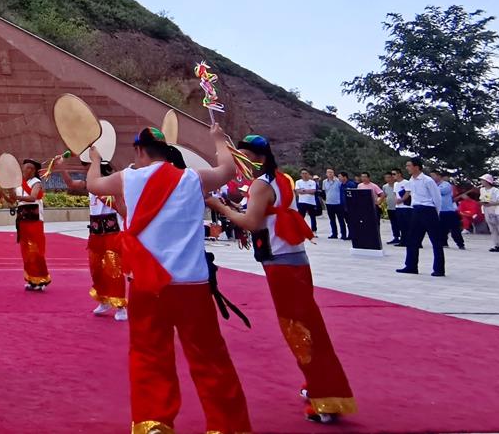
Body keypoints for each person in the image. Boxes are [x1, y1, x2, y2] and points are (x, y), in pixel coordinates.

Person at [85, 125, 251, 434]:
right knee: (210, 357)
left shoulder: (128, 178)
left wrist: (95, 159)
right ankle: (228, 426)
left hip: (148, 284)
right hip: (192, 285)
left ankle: (154, 423)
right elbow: (228, 170)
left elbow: (93, 184)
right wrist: (218, 139)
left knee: (149, 354)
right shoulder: (193, 178)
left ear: (139, 151)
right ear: (167, 151)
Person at [206, 134, 357, 424]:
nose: (241, 162)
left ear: (258, 158)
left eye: (244, 156)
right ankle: (320, 384)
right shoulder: (281, 178)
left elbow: (252, 222)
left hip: (281, 264)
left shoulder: (261, 185)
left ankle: (326, 397)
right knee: (307, 326)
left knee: (300, 330)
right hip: (293, 259)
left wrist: (220, 207)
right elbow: (264, 215)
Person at [65, 161, 127, 321]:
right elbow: (71, 184)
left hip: (112, 232)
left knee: (113, 269)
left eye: (89, 168)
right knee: (96, 269)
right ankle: (103, 299)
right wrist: (61, 168)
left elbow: (123, 210)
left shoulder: (113, 185)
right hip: (95, 232)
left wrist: (106, 196)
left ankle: (120, 306)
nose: (87, 171)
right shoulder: (90, 186)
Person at [5, 158, 50, 291]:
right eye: (24, 167)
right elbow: (13, 200)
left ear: (34, 170)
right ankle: (31, 278)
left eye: (29, 168)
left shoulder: (36, 182)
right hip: (23, 220)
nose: (26, 170)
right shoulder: (19, 184)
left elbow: (32, 197)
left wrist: (17, 196)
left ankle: (42, 279)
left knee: (36, 250)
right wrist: (6, 191)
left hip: (35, 220)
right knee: (26, 251)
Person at [398, 158, 445, 276]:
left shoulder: (427, 180)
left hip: (428, 210)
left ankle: (439, 269)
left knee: (436, 241)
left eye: (409, 165)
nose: (407, 168)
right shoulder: (411, 180)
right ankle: (411, 266)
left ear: (416, 167)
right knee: (412, 239)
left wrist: (436, 213)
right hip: (416, 210)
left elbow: (437, 198)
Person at [433, 171, 466, 250]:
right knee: (441, 228)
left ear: (439, 176)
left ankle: (460, 243)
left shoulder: (446, 185)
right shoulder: (434, 185)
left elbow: (440, 191)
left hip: (448, 210)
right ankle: (443, 242)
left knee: (454, 228)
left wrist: (432, 189)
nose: (432, 178)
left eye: (433, 175)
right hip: (439, 210)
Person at [480, 175, 499, 253]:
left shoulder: (496, 190)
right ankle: (496, 245)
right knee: (492, 229)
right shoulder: (482, 190)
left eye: (483, 180)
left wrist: (491, 204)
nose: (481, 182)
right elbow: (483, 199)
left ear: (488, 181)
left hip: (497, 210)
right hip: (487, 210)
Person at [388, 170, 412, 245]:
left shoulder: (406, 182)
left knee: (407, 224)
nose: (393, 176)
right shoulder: (395, 184)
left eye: (394, 174)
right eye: (392, 174)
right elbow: (395, 193)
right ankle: (403, 240)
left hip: (406, 206)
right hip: (398, 206)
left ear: (399, 174)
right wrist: (396, 200)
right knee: (401, 224)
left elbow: (408, 192)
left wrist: (401, 200)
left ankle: (408, 240)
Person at [322, 168, 347, 240]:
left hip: (338, 203)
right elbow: (324, 191)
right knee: (332, 220)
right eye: (328, 172)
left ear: (334, 173)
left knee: (341, 220)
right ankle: (334, 233)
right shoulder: (324, 182)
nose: (330, 174)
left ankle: (343, 234)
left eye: (331, 172)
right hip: (329, 203)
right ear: (326, 174)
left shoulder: (338, 181)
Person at [294, 168, 319, 234]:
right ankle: (300, 230)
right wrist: (307, 191)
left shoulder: (312, 182)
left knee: (312, 217)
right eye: (303, 173)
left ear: (308, 174)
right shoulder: (298, 182)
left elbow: (313, 191)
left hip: (311, 202)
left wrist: (303, 190)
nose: (304, 175)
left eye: (306, 173)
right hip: (302, 202)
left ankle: (314, 230)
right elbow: (298, 191)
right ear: (301, 174)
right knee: (301, 217)